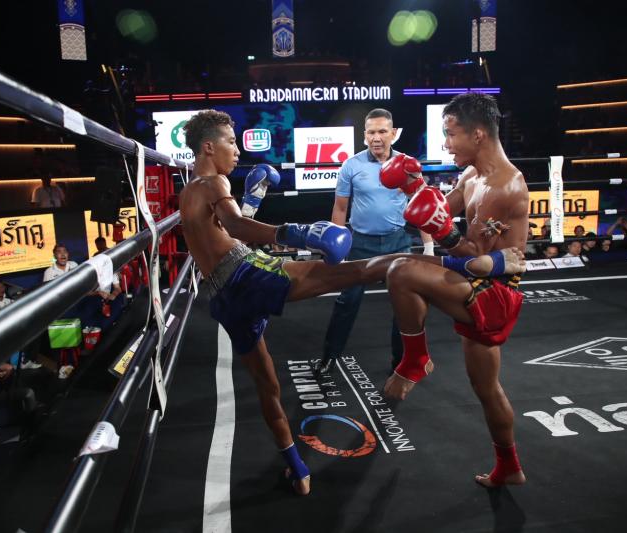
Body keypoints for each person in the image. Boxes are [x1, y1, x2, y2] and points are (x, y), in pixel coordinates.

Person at [178, 109, 524, 496]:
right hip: (248, 276)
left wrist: (252, 202)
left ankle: (296, 467)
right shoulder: (215, 181)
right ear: (208, 147)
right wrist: (298, 232)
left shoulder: (188, 191)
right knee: (378, 269)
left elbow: (221, 234)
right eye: (230, 141)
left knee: (266, 384)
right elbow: (235, 228)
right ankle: (429, 331)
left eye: (450, 134)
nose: (238, 149)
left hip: (223, 297)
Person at [382, 93, 529, 488]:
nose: (446, 144)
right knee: (486, 389)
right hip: (475, 285)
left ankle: (416, 359)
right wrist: (413, 188)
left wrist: (445, 234)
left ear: (477, 134)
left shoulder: (504, 187)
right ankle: (509, 467)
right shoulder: (472, 176)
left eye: (450, 134)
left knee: (400, 270)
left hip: (493, 294)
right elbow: (438, 214)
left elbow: (473, 255)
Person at [314, 108, 432, 376]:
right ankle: (329, 357)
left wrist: (428, 247)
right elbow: (340, 208)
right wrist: (336, 248)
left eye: (382, 131)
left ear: (393, 133)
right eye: (371, 132)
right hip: (360, 244)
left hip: (398, 243)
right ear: (364, 135)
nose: (376, 137)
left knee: (405, 306)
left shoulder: (408, 165)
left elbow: (423, 205)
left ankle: (401, 363)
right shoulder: (351, 165)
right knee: (347, 301)